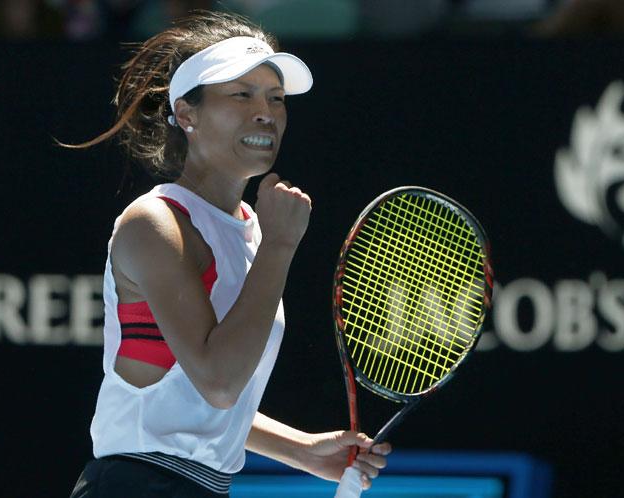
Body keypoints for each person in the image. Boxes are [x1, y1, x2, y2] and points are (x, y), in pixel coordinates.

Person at [66, 10, 391, 498]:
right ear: (187, 113)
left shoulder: (249, 226)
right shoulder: (155, 224)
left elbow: (189, 400)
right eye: (241, 94)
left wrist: (299, 450)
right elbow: (218, 382)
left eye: (276, 98)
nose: (266, 112)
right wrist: (280, 247)